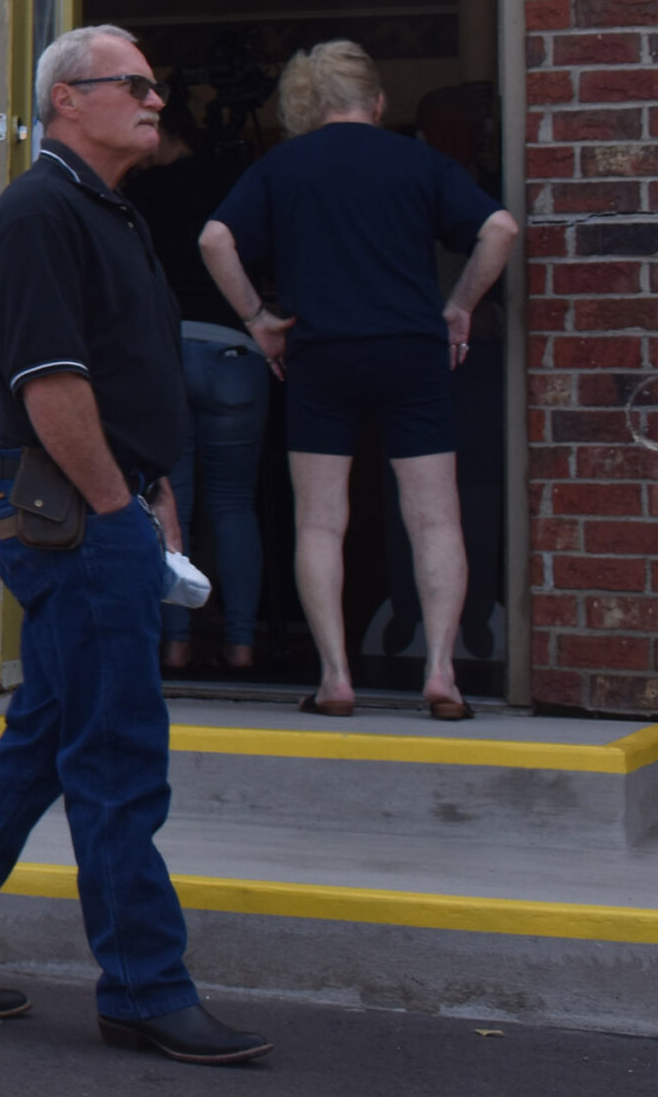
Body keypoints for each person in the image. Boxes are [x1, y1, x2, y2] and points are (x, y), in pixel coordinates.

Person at [0, 23, 271, 1067]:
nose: (154, 99)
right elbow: (51, 384)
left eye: (154, 83)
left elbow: (125, 387)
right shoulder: (40, 211)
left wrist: (152, 501)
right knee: (119, 758)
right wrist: (118, 510)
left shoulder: (103, 211)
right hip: (78, 518)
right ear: (65, 102)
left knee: (45, 741)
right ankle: (144, 987)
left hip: (104, 507)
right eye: (131, 83)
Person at [198, 40, 519, 721]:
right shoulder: (419, 160)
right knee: (435, 517)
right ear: (376, 101)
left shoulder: (283, 165)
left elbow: (214, 240)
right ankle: (442, 675)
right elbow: (499, 227)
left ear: (307, 107)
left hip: (320, 353)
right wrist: (458, 306)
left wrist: (258, 318)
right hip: (412, 349)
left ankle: (337, 678)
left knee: (320, 521)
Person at [125, 92, 269, 673]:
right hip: (233, 348)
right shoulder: (234, 183)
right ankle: (241, 644)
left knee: (167, 501)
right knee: (234, 505)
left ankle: (176, 642)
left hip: (165, 353)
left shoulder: (136, 195)